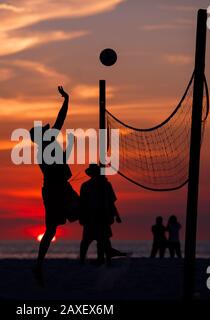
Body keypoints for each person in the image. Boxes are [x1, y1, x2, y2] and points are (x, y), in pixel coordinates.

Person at [30, 86, 79, 286]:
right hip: (55, 191)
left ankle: (39, 265)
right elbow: (60, 120)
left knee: (80, 213)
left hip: (59, 189)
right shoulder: (45, 149)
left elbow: (60, 122)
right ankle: (39, 265)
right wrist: (66, 100)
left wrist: (66, 100)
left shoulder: (48, 146)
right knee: (51, 230)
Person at [79, 164, 123, 266]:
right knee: (88, 241)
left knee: (103, 241)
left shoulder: (106, 185)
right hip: (91, 217)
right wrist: (82, 216)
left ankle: (104, 260)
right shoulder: (86, 185)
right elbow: (82, 203)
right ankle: (83, 260)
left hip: (102, 216)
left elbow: (111, 202)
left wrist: (117, 215)